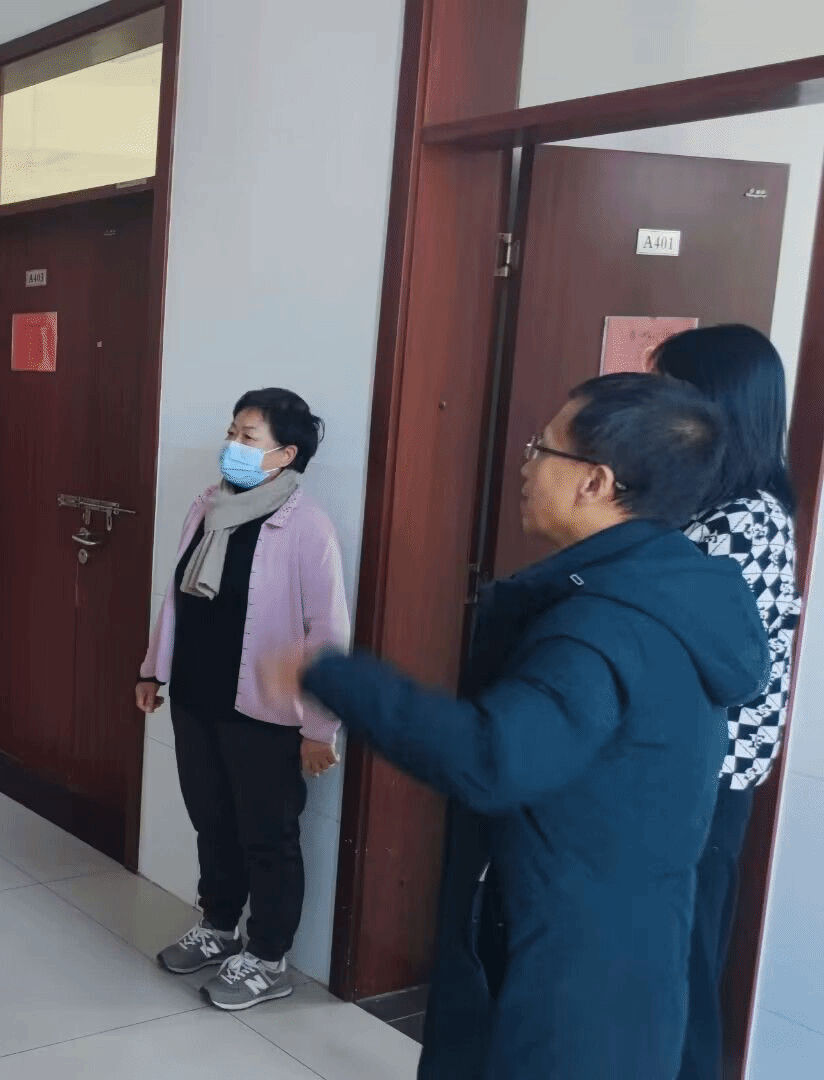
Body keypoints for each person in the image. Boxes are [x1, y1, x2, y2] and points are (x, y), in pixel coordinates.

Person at [261, 373, 770, 1080]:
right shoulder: (673, 589)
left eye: (542, 448)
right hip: (633, 952)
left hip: (568, 978)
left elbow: (491, 757)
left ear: (595, 481)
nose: (525, 466)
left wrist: (330, 674)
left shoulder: (604, 627)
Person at [135, 388, 350, 1011]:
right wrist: (152, 670)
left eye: (248, 437)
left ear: (286, 454)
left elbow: (328, 634)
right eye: (232, 432)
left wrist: (320, 728)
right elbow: (177, 595)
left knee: (268, 834)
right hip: (198, 694)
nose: (232, 446)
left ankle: (268, 956)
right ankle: (219, 925)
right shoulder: (209, 506)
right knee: (212, 819)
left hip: (265, 709)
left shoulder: (307, 527)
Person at [652, 326, 803, 1080]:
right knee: (668, 955)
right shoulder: (710, 506)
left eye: (668, 391)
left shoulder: (743, 521)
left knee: (683, 959)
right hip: (687, 771)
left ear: (714, 404)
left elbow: (687, 655)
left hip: (706, 778)